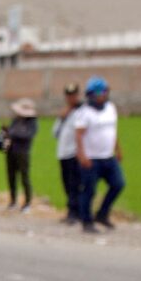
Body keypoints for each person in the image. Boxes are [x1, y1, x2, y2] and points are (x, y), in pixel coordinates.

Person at [75, 76, 123, 233]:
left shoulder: (111, 108)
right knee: (89, 191)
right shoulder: (84, 112)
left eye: (104, 91)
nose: (102, 95)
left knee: (118, 184)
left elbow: (113, 131)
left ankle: (102, 214)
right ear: (90, 94)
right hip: (91, 158)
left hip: (108, 157)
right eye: (98, 92)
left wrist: (118, 149)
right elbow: (79, 135)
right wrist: (82, 155)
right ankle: (86, 221)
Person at [52, 83, 85, 224]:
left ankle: (75, 212)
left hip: (75, 153)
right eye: (68, 96)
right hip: (63, 153)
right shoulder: (65, 113)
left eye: (73, 95)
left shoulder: (83, 111)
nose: (71, 98)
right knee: (66, 184)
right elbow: (54, 133)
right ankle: (72, 211)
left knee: (74, 184)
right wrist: (62, 118)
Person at [5, 98, 39, 212]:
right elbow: (10, 132)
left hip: (23, 152)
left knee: (24, 177)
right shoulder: (16, 120)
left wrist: (13, 133)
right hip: (11, 151)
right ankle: (13, 200)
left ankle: (27, 202)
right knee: (11, 176)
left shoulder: (32, 122)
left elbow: (27, 135)